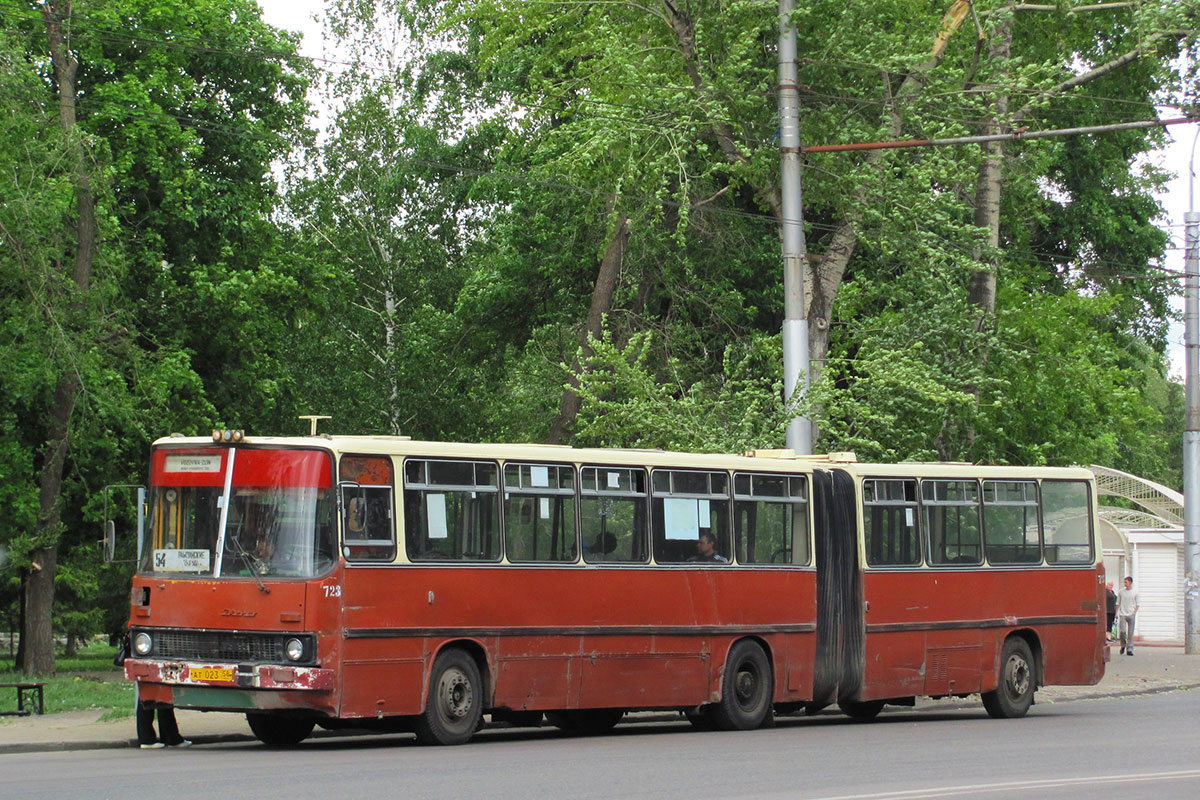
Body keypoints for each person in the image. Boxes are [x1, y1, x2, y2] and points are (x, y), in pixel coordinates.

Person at [117, 628, 190, 749]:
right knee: (156, 691)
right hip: (153, 643)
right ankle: (161, 737)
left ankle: (157, 737)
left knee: (153, 691)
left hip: (146, 642)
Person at [1117, 576, 1139, 656]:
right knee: (1122, 631)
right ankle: (1123, 645)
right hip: (1122, 613)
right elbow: (1118, 603)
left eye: (1126, 582)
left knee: (1130, 633)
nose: (1125, 583)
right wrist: (1117, 612)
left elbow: (1137, 604)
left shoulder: (1135, 592)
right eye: (1124, 582)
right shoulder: (1121, 592)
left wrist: (1134, 612)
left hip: (1131, 614)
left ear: (1130, 582)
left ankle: (1129, 649)